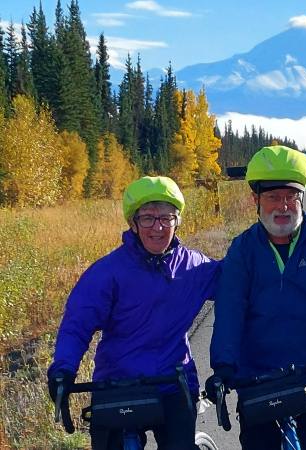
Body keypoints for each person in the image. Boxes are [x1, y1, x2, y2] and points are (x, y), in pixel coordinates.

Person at [207, 145, 306, 450]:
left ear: (302, 198)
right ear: (256, 200)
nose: (283, 206)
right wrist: (223, 366)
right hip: (259, 380)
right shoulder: (243, 250)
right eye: (273, 197)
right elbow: (229, 310)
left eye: (291, 197)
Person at [47, 176, 219, 450]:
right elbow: (77, 323)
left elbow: (237, 288)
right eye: (148, 218)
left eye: (167, 217)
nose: (158, 227)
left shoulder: (195, 266)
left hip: (173, 383)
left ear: (178, 221)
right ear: (133, 223)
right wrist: (63, 370)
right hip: (117, 386)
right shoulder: (108, 272)